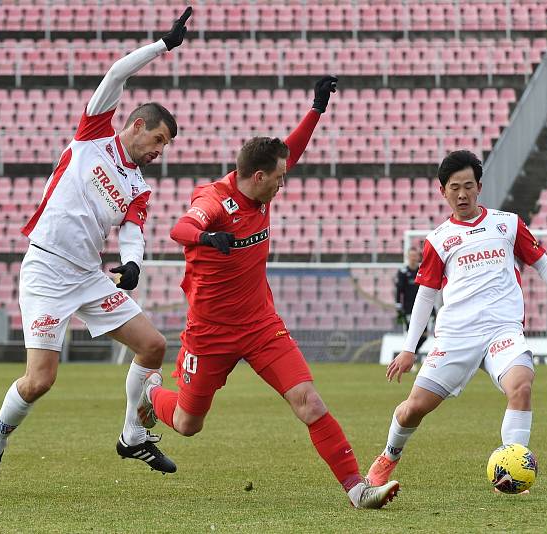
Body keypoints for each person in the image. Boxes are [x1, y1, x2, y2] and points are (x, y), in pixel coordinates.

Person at [134, 76, 399, 509]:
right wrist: (204, 239)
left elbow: (289, 151)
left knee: (308, 401)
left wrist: (316, 109)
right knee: (186, 423)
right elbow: (179, 228)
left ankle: (357, 489)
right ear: (257, 177)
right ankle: (150, 393)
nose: (283, 184)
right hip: (210, 333)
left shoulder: (260, 192)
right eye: (278, 179)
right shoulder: (215, 200)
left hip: (261, 326)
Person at [0, 7, 194, 495]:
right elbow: (117, 72)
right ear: (136, 126)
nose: (159, 151)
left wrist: (134, 261)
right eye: (157, 140)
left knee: (154, 345)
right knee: (39, 381)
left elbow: (133, 230)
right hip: (47, 270)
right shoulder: (93, 134)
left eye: (165, 146)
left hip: (90, 277)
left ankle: (132, 435)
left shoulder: (138, 184)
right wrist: (163, 45)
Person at [365, 150, 547, 493]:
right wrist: (409, 349)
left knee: (522, 386)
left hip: (503, 330)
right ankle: (388, 456)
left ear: (479, 187)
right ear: (443, 191)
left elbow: (541, 261)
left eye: (469, 186)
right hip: (456, 336)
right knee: (413, 410)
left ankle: (511, 473)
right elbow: (425, 295)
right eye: (455, 187)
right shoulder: (438, 240)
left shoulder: (507, 224)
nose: (462, 194)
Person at [395, 247, 429, 353]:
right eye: (411, 256)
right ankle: (409, 356)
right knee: (411, 334)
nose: (413, 258)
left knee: (424, 335)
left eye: (415, 256)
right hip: (408, 308)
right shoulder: (403, 272)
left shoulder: (422, 270)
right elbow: (399, 290)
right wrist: (398, 305)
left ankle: (412, 354)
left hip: (422, 307)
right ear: (408, 257)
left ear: (418, 257)